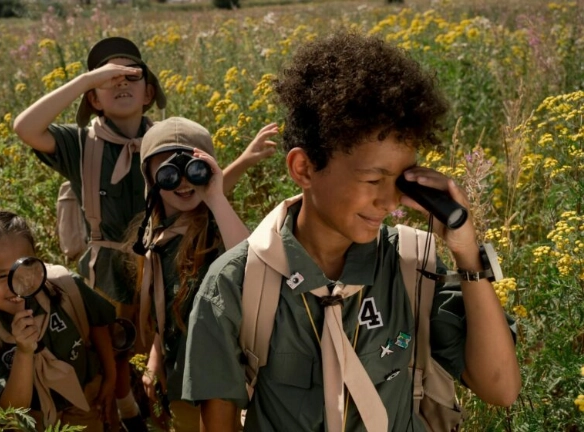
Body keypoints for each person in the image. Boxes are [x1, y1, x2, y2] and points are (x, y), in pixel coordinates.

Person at [181, 32, 521, 432]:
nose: (390, 202)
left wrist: (467, 253)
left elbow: (500, 389)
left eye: (403, 181)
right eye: (373, 179)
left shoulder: (411, 268)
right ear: (304, 169)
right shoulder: (235, 284)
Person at [13, 36, 278, 431]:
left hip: (166, 256)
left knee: (163, 344)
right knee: (113, 356)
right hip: (110, 270)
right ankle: (124, 417)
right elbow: (25, 126)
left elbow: (200, 196)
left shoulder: (164, 140)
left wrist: (240, 162)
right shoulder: (82, 143)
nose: (120, 82)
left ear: (149, 91)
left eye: (131, 76)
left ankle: (151, 415)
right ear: (94, 99)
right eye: (109, 79)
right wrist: (87, 81)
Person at [0, 210, 117, 431]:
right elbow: (11, 409)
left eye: (25, 265)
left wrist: (110, 377)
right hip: (33, 421)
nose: (18, 282)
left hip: (87, 402)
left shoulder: (64, 286)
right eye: (2, 276)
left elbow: (97, 323)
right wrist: (24, 351)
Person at [134, 117, 250, 431]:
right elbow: (169, 307)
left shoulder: (216, 226)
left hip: (222, 380)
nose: (184, 183)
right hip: (180, 374)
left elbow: (250, 266)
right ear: (152, 180)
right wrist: (155, 358)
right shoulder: (156, 236)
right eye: (169, 173)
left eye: (193, 170)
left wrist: (215, 195)